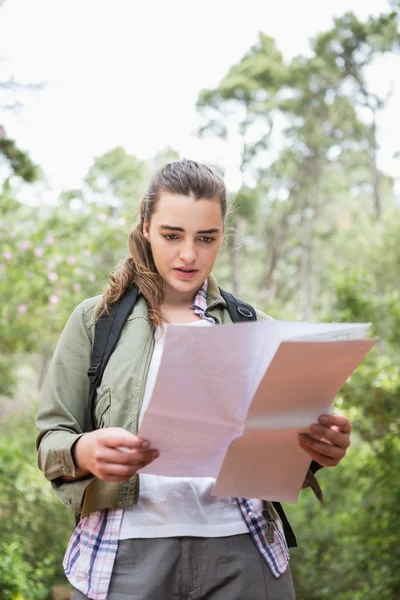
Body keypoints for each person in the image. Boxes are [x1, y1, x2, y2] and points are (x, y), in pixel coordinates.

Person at [36, 159, 352, 600]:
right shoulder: (96, 322)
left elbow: (282, 449)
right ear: (146, 227)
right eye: (172, 235)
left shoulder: (252, 326)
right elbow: (51, 441)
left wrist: (319, 450)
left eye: (207, 238)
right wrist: (83, 450)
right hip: (124, 556)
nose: (189, 254)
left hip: (244, 553)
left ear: (222, 236)